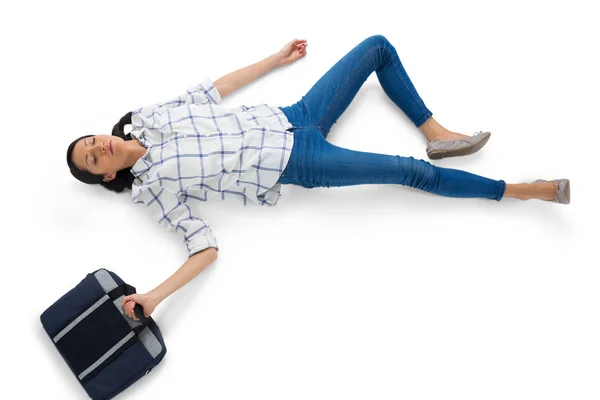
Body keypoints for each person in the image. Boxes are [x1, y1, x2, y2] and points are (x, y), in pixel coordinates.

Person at [66, 35, 570, 321]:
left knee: (376, 47)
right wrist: (154, 297)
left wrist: (274, 59)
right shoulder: (154, 190)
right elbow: (204, 248)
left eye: (91, 142)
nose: (98, 148)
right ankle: (521, 190)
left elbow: (212, 90)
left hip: (295, 112)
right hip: (297, 163)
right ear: (108, 175)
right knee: (407, 173)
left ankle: (436, 131)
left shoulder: (149, 116)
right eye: (92, 161)